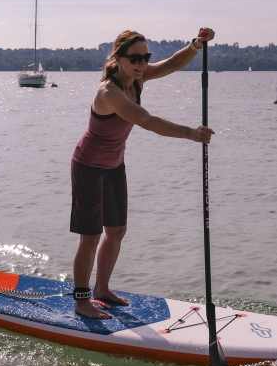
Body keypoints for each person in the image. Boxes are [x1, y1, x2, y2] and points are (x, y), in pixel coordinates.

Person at [70, 28, 216, 319]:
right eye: (135, 58)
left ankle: (102, 289)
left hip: (114, 166)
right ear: (118, 58)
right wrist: (191, 134)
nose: (141, 63)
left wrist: (195, 45)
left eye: (145, 57)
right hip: (88, 167)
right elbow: (146, 120)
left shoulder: (137, 79)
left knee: (116, 231)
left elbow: (172, 64)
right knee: (90, 236)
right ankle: (82, 300)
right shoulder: (109, 92)